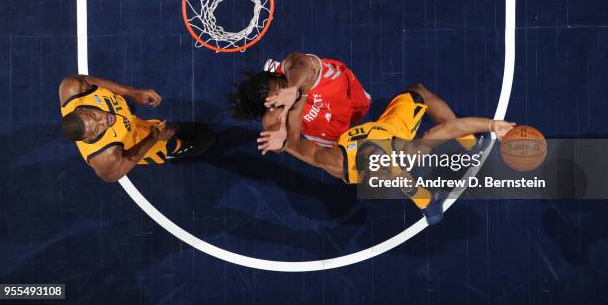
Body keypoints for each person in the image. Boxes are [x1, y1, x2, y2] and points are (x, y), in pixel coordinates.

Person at [257, 83, 514, 224]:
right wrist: (491, 125)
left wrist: (281, 128)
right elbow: (448, 128)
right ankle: (470, 148)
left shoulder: (334, 160)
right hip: (392, 130)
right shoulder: (406, 151)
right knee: (420, 93)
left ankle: (428, 202)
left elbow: (294, 144)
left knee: (408, 178)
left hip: (384, 141)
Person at [59, 75, 214, 182]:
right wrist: (153, 138)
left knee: (178, 127)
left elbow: (87, 79)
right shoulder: (103, 158)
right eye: (97, 129)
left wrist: (132, 92)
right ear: (89, 138)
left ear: (79, 110)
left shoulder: (72, 88)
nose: (104, 121)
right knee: (207, 138)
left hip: (137, 124)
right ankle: (176, 151)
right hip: (142, 142)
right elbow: (116, 173)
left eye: (93, 116)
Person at [227, 53, 371, 148]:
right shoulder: (272, 113)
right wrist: (282, 143)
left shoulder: (291, 65)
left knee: (365, 106)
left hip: (343, 93)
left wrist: (292, 87)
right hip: (329, 130)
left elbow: (303, 64)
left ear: (278, 75)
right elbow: (279, 141)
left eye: (281, 87)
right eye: (276, 97)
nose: (282, 94)